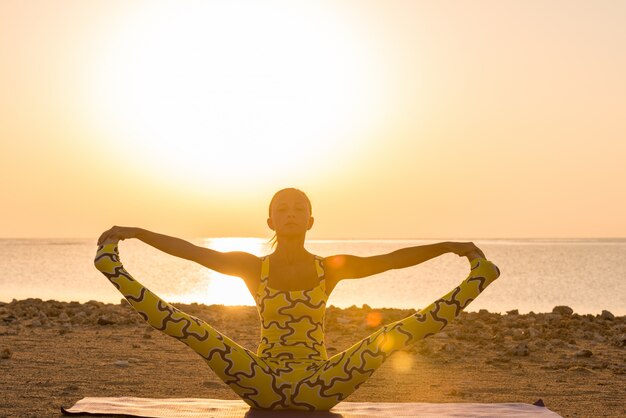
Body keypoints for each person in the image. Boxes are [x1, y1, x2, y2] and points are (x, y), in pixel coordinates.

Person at [94, 187, 500, 411]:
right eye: (281, 209)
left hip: (321, 384)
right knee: (193, 329)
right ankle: (110, 265)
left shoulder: (332, 268)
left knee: (393, 335)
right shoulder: (253, 267)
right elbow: (194, 252)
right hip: (261, 380)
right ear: (270, 221)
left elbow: (392, 261)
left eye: (298, 209)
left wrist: (450, 245)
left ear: (309, 220)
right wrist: (136, 232)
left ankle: (480, 277)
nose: (290, 214)